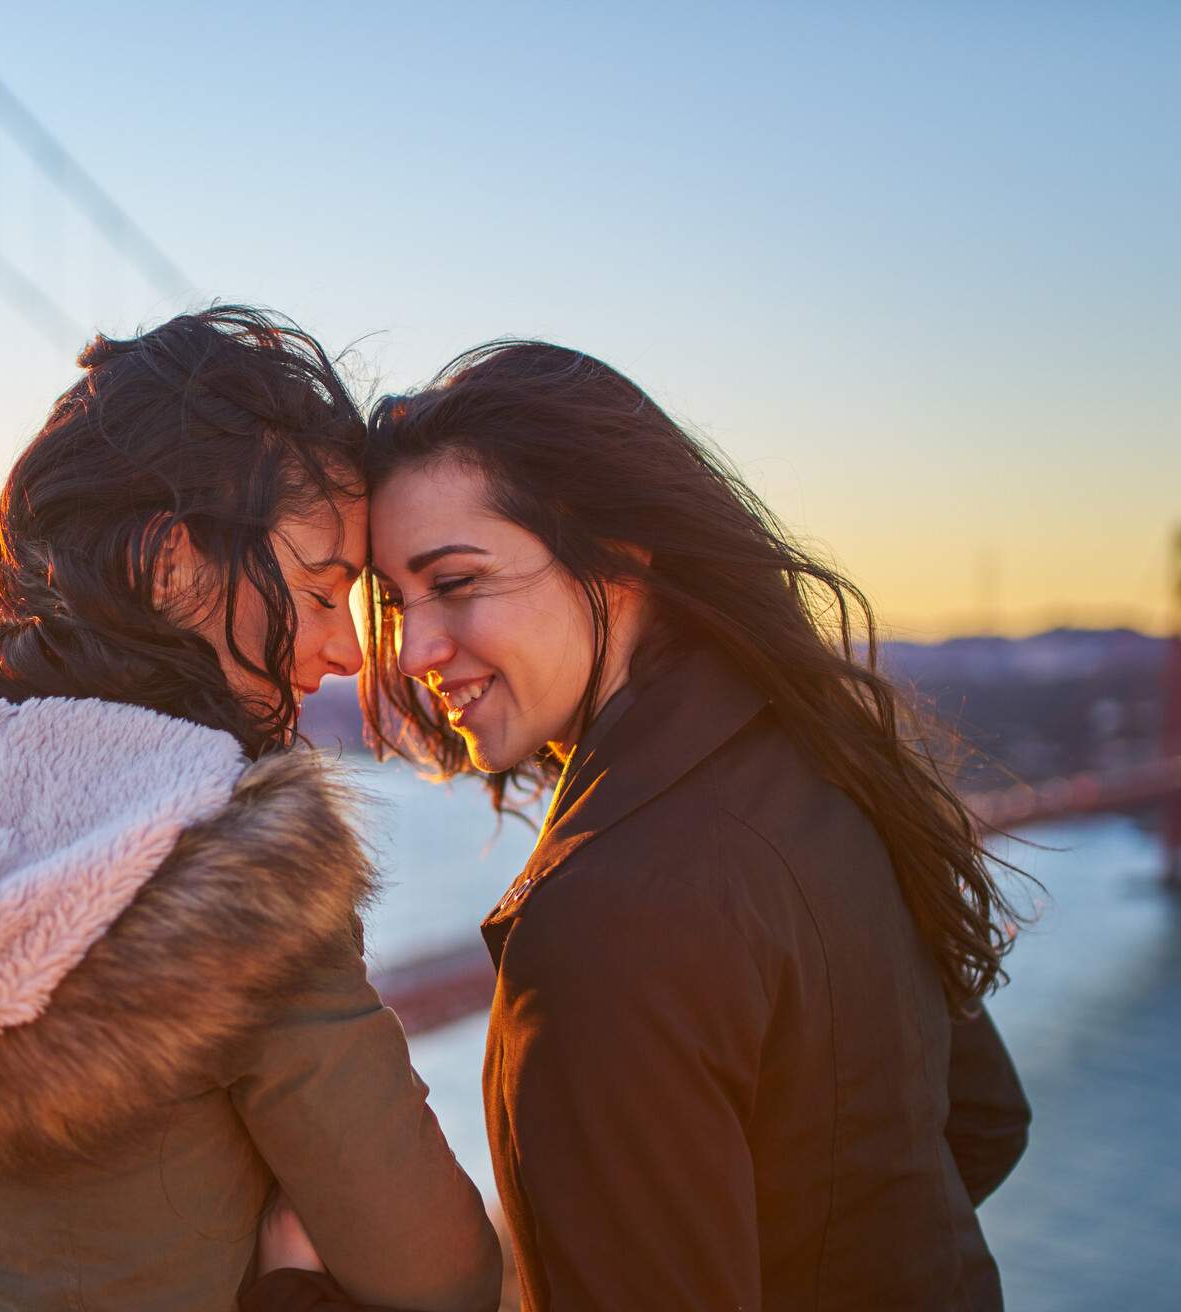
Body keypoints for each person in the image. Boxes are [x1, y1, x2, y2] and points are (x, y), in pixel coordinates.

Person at [0, 307, 502, 1312]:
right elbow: (445, 1280)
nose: (345, 650)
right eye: (319, 589)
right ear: (169, 567)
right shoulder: (233, 867)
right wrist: (284, 1268)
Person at [345, 340, 1032, 1310]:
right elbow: (983, 1121)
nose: (413, 649)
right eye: (393, 599)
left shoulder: (609, 914)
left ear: (620, 550)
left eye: (454, 581)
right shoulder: (823, 761)